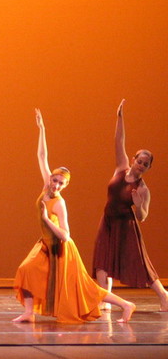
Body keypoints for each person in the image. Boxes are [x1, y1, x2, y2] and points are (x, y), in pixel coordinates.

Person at [13, 109, 135, 323]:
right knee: (26, 270)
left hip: (62, 250)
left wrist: (47, 219)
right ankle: (29, 313)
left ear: (65, 185)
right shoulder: (45, 187)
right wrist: (42, 128)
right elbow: (42, 156)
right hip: (45, 246)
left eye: (61, 183)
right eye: (55, 180)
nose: (56, 185)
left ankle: (126, 304)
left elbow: (66, 235)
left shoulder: (59, 203)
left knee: (83, 287)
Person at [92, 99, 168, 311]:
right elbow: (119, 141)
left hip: (126, 228)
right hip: (108, 221)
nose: (141, 165)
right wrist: (120, 117)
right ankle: (106, 300)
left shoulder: (143, 189)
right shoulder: (121, 168)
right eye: (139, 161)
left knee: (139, 263)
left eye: (146, 164)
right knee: (102, 261)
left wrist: (139, 205)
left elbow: (143, 216)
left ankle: (164, 295)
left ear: (148, 168)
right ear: (133, 159)